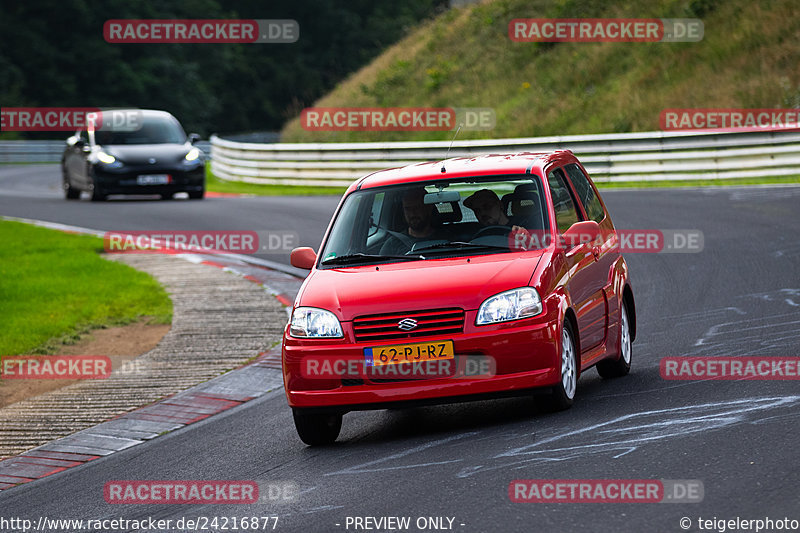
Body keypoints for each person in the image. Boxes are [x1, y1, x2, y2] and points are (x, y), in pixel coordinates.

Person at [380, 187, 440, 254]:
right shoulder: (392, 244)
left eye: (417, 208)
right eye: (407, 209)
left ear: (429, 208)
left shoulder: (447, 238)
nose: (412, 213)